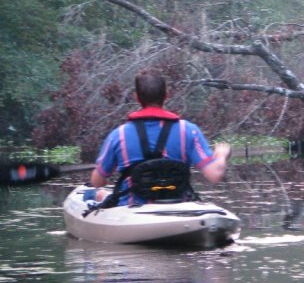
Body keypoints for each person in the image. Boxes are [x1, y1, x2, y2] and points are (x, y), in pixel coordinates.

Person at [89, 70, 231, 206]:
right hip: (178, 208)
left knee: (95, 194)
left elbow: (97, 181)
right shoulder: (188, 131)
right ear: (166, 95)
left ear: (137, 97)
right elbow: (215, 175)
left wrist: (104, 185)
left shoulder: (118, 135)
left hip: (131, 211)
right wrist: (221, 155)